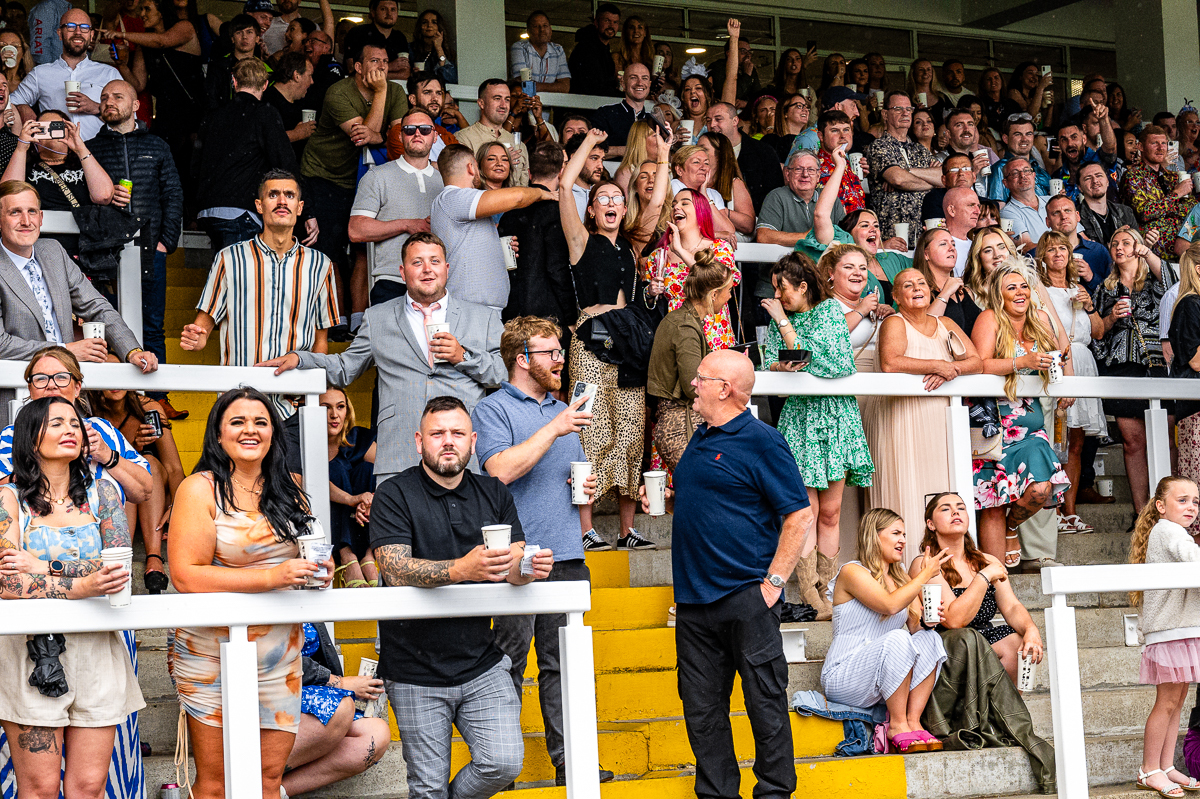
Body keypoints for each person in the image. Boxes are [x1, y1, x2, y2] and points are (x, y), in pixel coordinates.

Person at [643, 347, 811, 796]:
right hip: (694, 605)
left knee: (765, 704)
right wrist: (668, 501)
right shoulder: (700, 437)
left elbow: (799, 515)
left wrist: (773, 584)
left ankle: (775, 792)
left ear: (726, 389)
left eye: (701, 378)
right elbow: (715, 498)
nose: (693, 384)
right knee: (701, 712)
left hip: (746, 598)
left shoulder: (763, 441)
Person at [369, 395, 552, 798]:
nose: (447, 441)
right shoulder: (394, 493)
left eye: (456, 433)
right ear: (419, 442)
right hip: (412, 670)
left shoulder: (493, 493)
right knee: (427, 787)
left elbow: (513, 559)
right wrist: (460, 570)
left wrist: (528, 569)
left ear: (472, 441)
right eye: (437, 434)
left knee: (502, 763)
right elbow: (393, 568)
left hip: (482, 663)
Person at [471, 316, 615, 786]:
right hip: (515, 559)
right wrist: (555, 427)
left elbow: (565, 479)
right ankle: (503, 768)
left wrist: (585, 487)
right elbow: (500, 472)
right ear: (522, 359)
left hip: (569, 554)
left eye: (560, 351)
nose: (560, 359)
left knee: (566, 666)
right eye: (550, 352)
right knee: (508, 665)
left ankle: (571, 762)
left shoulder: (563, 413)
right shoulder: (492, 410)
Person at [169, 386, 331, 799]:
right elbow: (186, 576)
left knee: (267, 779)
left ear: (273, 432)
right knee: (215, 784)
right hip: (211, 656)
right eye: (237, 422)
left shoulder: (290, 490)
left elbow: (303, 555)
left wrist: (319, 570)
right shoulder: (198, 489)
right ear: (218, 435)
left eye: (260, 421)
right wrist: (272, 577)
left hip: (281, 653)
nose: (250, 430)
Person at [263, 233, 506, 482]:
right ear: (402, 272)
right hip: (398, 453)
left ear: (446, 268)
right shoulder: (377, 317)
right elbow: (345, 368)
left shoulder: (483, 317)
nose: (427, 270)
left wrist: (463, 355)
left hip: (461, 454)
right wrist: (301, 359)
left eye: (434, 261)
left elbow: (504, 373)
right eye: (417, 262)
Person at [0, 396, 142, 799]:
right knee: (40, 788)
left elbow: (117, 571)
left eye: (75, 424)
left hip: (97, 649)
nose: (70, 430)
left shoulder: (105, 495)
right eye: (56, 423)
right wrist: (81, 585)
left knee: (89, 787)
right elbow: (7, 584)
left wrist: (44, 566)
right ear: (30, 438)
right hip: (31, 650)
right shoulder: (8, 501)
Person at [760, 252, 874, 620]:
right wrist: (779, 363)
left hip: (835, 415)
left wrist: (784, 326)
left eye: (782, 288)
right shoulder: (782, 318)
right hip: (800, 418)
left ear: (803, 286)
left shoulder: (827, 313)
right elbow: (768, 366)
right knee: (804, 511)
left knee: (832, 511)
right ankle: (809, 592)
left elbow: (833, 364)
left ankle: (828, 587)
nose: (778, 297)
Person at [558, 131, 651, 552]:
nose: (612, 204)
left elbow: (655, 196)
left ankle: (627, 530)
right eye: (603, 199)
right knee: (590, 431)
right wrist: (588, 144)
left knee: (631, 431)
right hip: (591, 339)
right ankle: (585, 530)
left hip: (629, 341)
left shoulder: (632, 247)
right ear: (591, 209)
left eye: (618, 198)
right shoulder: (581, 241)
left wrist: (662, 153)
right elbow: (564, 184)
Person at [873, 268, 981, 561]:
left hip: (939, 416)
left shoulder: (944, 322)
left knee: (939, 486)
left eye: (922, 283)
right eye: (908, 285)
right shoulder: (895, 322)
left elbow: (976, 361)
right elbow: (890, 363)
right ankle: (903, 563)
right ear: (895, 297)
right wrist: (937, 364)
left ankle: (946, 563)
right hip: (902, 417)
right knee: (904, 485)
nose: (917, 288)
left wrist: (952, 370)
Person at [822, 508, 950, 753]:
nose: (903, 540)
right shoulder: (852, 572)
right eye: (896, 533)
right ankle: (896, 725)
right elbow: (890, 606)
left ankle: (913, 721)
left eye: (904, 534)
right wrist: (924, 573)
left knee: (930, 638)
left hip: (882, 677)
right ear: (874, 535)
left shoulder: (901, 578)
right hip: (843, 674)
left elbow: (914, 626)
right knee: (899, 637)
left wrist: (928, 620)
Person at [300, 41, 407, 332]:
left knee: (363, 250)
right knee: (331, 249)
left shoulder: (397, 91)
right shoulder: (338, 92)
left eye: (386, 61)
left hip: (368, 181)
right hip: (325, 176)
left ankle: (359, 321)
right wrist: (381, 95)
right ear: (358, 67)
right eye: (374, 61)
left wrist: (380, 129)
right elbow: (363, 136)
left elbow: (398, 138)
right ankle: (336, 320)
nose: (382, 67)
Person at [970, 263, 1071, 566]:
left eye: (1023, 286)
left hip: (1033, 425)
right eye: (1011, 287)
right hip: (995, 426)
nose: (1020, 292)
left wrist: (1059, 369)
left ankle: (1013, 526)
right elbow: (980, 364)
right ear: (998, 295)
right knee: (994, 501)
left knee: (1041, 489)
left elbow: (1057, 358)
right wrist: (1021, 361)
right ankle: (994, 579)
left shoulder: (1039, 319)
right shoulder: (990, 319)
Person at [0, 181, 155, 374]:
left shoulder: (53, 251)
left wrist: (132, 351)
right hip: (18, 388)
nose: (26, 221)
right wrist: (64, 351)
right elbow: (1, 344)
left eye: (32, 211)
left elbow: (97, 306)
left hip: (68, 384)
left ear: (41, 218)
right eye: (15, 212)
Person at [88, 78, 183, 393]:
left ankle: (159, 397)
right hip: (105, 252)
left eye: (117, 96)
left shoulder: (157, 145)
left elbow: (173, 195)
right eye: (104, 98)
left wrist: (165, 243)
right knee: (108, 327)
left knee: (153, 327)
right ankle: (117, 399)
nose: (108, 101)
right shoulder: (91, 148)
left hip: (150, 249)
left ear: (136, 105)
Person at [913, 491, 1044, 682]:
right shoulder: (925, 563)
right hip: (947, 644)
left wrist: (1031, 629)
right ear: (931, 524)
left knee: (1019, 644)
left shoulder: (987, 561)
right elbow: (954, 620)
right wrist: (984, 577)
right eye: (946, 509)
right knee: (970, 639)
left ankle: (1004, 710)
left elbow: (1011, 606)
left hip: (984, 640)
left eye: (961, 508)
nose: (955, 513)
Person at [1129, 476, 1200, 797]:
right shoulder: (1169, 531)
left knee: (1178, 702)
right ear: (1160, 506)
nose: (1191, 507)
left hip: (1182, 629)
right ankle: (1149, 769)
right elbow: (1193, 560)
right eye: (1182, 500)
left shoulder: (1177, 533)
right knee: (1167, 702)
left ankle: (1166, 765)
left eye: (1196, 501)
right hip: (1170, 632)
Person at [194, 58, 306, 252]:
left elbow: (195, 165)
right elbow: (285, 163)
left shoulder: (213, 117)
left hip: (208, 210)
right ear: (264, 85)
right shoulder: (264, 113)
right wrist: (306, 210)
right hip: (241, 210)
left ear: (234, 82)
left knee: (223, 275)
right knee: (240, 278)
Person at [1093, 226, 1168, 514]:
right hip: (1122, 366)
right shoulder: (1105, 289)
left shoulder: (1155, 281)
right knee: (1132, 442)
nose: (1120, 247)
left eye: (1127, 242)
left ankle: (1168, 510)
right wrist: (1111, 317)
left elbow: (1173, 281)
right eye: (1115, 243)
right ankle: (1142, 513)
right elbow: (1097, 333)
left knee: (1163, 437)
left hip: (1157, 364)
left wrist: (1147, 251)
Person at [1036, 232, 1107, 531]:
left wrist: (1090, 306)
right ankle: (1051, 514)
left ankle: (1071, 511)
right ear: (1042, 256)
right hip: (1058, 362)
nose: (1058, 254)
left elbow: (1100, 333)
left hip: (1084, 361)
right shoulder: (1039, 290)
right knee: (1055, 439)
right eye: (1050, 249)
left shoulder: (1079, 289)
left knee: (1075, 443)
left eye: (1062, 248)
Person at [430, 144, 553, 311]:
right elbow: (518, 197)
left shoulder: (452, 201)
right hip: (469, 306)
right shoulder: (454, 197)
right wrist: (543, 193)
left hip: (481, 306)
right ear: (471, 168)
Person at [350, 105, 442, 307]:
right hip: (392, 281)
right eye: (409, 129)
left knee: (436, 340)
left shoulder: (446, 180)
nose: (417, 134)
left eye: (425, 129)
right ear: (400, 136)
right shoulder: (377, 176)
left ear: (435, 137)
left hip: (438, 284)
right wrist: (408, 225)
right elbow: (356, 230)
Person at [282, 621, 389, 793]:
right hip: (272, 693)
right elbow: (273, 658)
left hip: (309, 693)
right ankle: (263, 779)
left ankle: (275, 791)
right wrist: (339, 683)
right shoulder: (264, 598)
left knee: (376, 734)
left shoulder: (307, 598)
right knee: (339, 707)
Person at [647, 255, 732, 470]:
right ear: (714, 295)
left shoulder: (685, 320)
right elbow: (693, 385)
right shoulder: (685, 327)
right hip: (680, 425)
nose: (730, 296)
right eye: (728, 291)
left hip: (680, 422)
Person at [2, 112, 112, 259]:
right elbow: (7, 196)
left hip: (83, 252)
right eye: (43, 128)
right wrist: (22, 147)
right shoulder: (24, 166)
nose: (50, 132)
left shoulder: (85, 164)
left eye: (57, 126)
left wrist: (80, 147)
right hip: (39, 252)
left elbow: (103, 196)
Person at [647, 186, 738, 346]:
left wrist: (680, 251)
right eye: (674, 204)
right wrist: (649, 292)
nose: (676, 207)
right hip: (676, 336)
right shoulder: (659, 256)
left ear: (700, 211)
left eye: (685, 203)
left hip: (714, 336)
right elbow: (649, 302)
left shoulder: (719, 249)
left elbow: (717, 279)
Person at [497, 141, 575, 327]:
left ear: (530, 173)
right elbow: (557, 269)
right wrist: (571, 315)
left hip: (511, 307)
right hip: (547, 312)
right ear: (561, 172)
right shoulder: (558, 212)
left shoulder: (510, 212)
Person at [13, 8, 120, 140]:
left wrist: (97, 108)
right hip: (56, 153)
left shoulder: (109, 73)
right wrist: (25, 110)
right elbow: (10, 102)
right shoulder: (40, 73)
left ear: (91, 35)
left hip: (99, 153)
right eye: (70, 27)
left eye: (84, 27)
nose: (78, 32)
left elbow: (127, 118)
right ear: (59, 33)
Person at [316, 386, 378, 587]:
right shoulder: (305, 443)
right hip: (324, 520)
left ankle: (368, 555)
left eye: (340, 407)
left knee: (367, 471)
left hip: (360, 520)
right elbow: (314, 483)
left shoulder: (356, 438)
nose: (334, 415)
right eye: (325, 407)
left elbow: (389, 473)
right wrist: (352, 500)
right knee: (335, 470)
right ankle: (346, 556)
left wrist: (369, 500)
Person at [867, 92, 940, 248]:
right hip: (892, 236)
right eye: (898, 108)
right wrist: (930, 181)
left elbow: (943, 177)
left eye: (909, 109)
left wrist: (907, 171)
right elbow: (898, 179)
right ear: (885, 114)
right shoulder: (879, 146)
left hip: (923, 237)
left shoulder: (920, 149)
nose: (905, 113)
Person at [1122, 125, 1198, 258]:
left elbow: (1191, 208)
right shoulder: (1133, 176)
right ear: (1140, 147)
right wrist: (1176, 194)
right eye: (1154, 143)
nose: (1161, 147)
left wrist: (1163, 207)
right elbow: (1144, 212)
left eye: (1164, 143)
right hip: (1154, 252)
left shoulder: (1173, 176)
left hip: (1185, 249)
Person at [704, 100, 782, 211]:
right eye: (708, 120)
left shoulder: (762, 151)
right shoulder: (702, 152)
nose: (712, 125)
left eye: (718, 119)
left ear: (735, 121)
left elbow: (775, 194)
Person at [755, 149, 844, 247]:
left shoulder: (830, 199)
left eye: (811, 170)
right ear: (788, 174)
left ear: (818, 176)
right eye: (798, 169)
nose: (805, 175)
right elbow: (763, 236)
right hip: (786, 260)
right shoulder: (777, 196)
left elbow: (845, 234)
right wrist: (807, 237)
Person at [456, 79, 529, 187]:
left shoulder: (518, 144)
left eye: (507, 99)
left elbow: (524, 188)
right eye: (497, 98)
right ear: (481, 103)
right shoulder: (463, 138)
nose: (503, 105)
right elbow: (460, 185)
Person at [619, 131, 672, 257]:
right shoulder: (623, 220)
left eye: (656, 175)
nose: (651, 180)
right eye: (643, 177)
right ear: (635, 187)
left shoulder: (675, 219)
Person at [696, 132, 753, 238]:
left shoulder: (734, 184)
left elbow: (748, 225)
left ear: (719, 155)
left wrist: (720, 210)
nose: (697, 154)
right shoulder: (692, 181)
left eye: (703, 150)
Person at [591, 61, 652, 157]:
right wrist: (626, 151)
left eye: (644, 78)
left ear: (649, 85)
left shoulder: (653, 120)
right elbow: (592, 151)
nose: (640, 83)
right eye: (633, 78)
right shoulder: (605, 114)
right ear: (623, 83)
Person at [263, 52, 316, 161]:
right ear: (296, 76)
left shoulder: (301, 101)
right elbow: (264, 140)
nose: (312, 82)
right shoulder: (267, 102)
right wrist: (295, 134)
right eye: (310, 75)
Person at [201, 13, 260, 109]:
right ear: (232, 39)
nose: (244, 37)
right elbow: (210, 102)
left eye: (249, 32)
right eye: (239, 32)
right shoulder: (219, 67)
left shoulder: (266, 70)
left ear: (257, 38)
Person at [1077, 161, 1138, 252]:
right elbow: (1086, 252)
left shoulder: (1125, 212)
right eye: (1088, 178)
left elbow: (1137, 245)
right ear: (1080, 187)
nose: (1095, 181)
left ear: (1107, 181)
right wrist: (1115, 238)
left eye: (1099, 175)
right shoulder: (1075, 217)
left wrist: (1147, 244)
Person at [999, 158, 1057, 252]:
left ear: (1034, 175)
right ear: (1006, 183)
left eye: (1026, 171)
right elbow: (1026, 247)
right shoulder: (1007, 212)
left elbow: (1079, 235)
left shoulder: (1053, 201)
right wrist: (1062, 249)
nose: (1022, 176)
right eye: (1015, 173)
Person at [341, 0, 408, 79]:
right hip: (358, 88)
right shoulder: (358, 33)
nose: (389, 13)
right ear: (373, 12)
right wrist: (389, 67)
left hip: (393, 88)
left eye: (393, 9)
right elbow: (352, 69)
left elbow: (405, 74)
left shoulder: (400, 37)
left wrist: (374, 74)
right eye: (383, 9)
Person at [816, 110, 866, 213]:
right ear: (821, 136)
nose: (843, 136)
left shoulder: (847, 162)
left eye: (846, 130)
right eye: (835, 130)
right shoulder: (815, 167)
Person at [509, 11, 569, 93]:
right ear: (528, 31)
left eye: (545, 26)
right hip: (526, 103)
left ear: (550, 29)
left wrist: (536, 86)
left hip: (552, 103)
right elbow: (523, 84)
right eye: (536, 26)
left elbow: (565, 87)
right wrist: (553, 86)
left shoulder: (558, 50)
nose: (542, 30)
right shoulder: (520, 47)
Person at [568, 3, 619, 98]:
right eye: (607, 20)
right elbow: (594, 87)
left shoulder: (604, 50)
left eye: (615, 22)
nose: (611, 25)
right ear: (596, 22)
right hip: (583, 107)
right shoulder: (586, 48)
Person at [407, 9, 455, 84]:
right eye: (425, 22)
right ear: (420, 27)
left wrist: (439, 49)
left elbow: (450, 78)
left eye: (434, 22)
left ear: (439, 27)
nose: (429, 25)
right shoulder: (410, 49)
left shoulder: (446, 52)